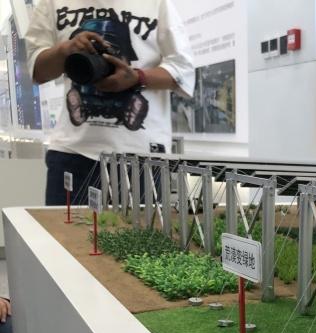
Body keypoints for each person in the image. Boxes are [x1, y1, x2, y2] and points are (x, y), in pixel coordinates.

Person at [25, 0, 195, 206]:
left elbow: (183, 69)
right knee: (62, 228)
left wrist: (137, 78)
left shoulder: (158, 3)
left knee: (141, 229)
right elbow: (37, 71)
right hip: (73, 152)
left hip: (141, 156)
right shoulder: (52, 2)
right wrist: (66, 50)